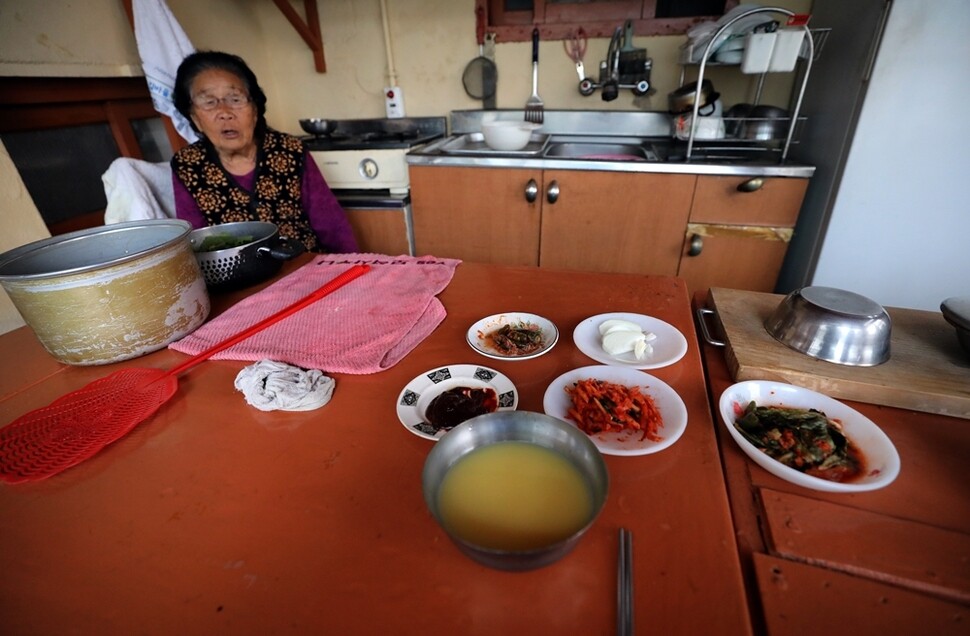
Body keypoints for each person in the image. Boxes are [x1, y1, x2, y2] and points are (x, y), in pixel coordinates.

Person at [170, 51, 358, 254]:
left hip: (305, 268)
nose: (225, 112)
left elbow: (331, 225)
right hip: (236, 281)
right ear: (194, 117)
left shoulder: (290, 150)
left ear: (255, 110)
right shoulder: (187, 166)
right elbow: (195, 245)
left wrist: (354, 269)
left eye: (235, 99)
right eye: (209, 102)